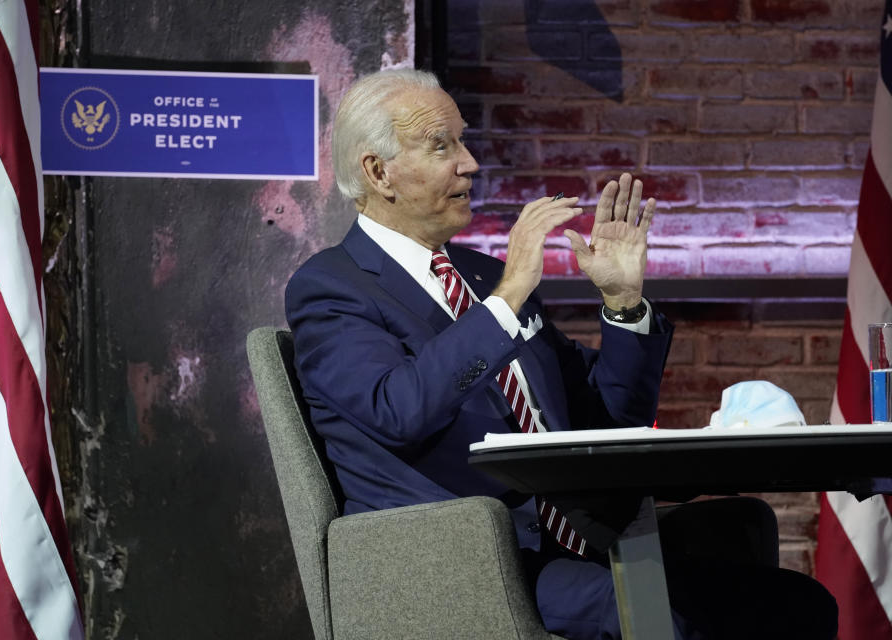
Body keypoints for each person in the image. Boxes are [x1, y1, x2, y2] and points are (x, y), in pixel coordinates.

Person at [284, 69, 837, 639]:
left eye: (464, 141)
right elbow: (395, 411)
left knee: (797, 605)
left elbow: (606, 419)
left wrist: (623, 305)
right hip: (471, 565)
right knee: (665, 621)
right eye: (441, 145)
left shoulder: (480, 273)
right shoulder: (334, 287)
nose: (470, 163)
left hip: (582, 541)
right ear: (379, 172)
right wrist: (504, 302)